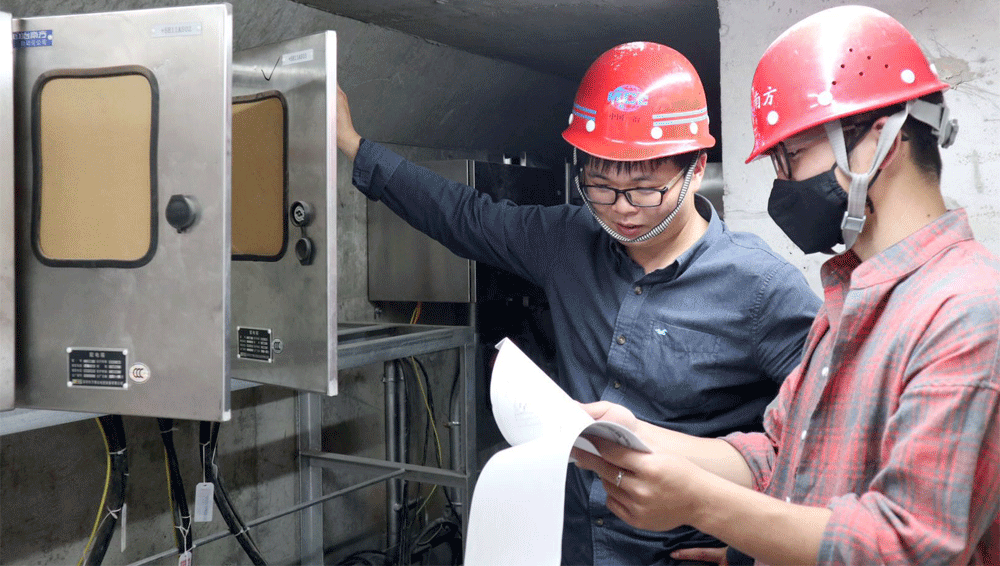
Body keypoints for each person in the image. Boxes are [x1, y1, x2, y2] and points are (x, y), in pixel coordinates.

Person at [336, 41, 821, 565]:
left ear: (697, 168)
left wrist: (751, 547)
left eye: (644, 190)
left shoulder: (762, 288)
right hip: (571, 540)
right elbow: (465, 216)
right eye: (601, 188)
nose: (622, 211)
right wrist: (352, 144)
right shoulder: (567, 241)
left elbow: (823, 442)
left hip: (678, 552)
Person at [573, 6, 1000, 565]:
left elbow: (909, 546)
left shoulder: (966, 310)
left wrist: (700, 504)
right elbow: (781, 455)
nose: (782, 183)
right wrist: (638, 437)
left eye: (791, 156)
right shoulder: (848, 298)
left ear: (879, 143)